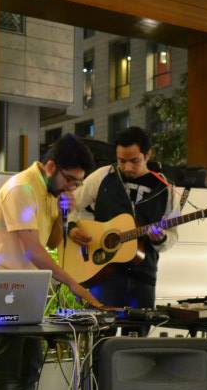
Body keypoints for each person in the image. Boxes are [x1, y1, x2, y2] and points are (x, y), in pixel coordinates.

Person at [0, 133, 104, 390]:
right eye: (71, 180)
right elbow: (34, 250)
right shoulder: (22, 189)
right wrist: (74, 284)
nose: (73, 187)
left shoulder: (50, 191)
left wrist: (65, 213)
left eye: (78, 183)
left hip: (27, 286)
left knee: (29, 363)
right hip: (1, 285)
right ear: (51, 167)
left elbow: (52, 241)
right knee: (3, 367)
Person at [68, 126, 179, 324]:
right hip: (102, 271)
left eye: (134, 161)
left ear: (148, 155)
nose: (127, 167)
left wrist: (161, 238)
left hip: (143, 275)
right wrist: (72, 227)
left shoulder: (165, 189)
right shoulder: (103, 176)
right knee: (101, 333)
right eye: (121, 161)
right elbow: (70, 204)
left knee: (138, 335)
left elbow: (172, 236)